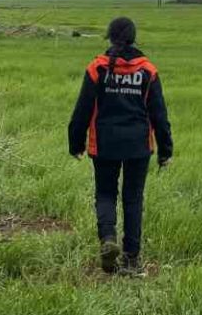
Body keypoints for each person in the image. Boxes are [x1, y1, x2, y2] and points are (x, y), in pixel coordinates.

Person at [68, 17, 173, 275]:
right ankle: (132, 259)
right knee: (133, 198)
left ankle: (108, 239)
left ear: (110, 37)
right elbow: (159, 115)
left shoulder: (98, 68)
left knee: (105, 194)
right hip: (138, 146)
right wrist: (165, 151)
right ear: (133, 38)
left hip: (104, 144)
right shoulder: (147, 70)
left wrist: (76, 144)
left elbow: (82, 110)